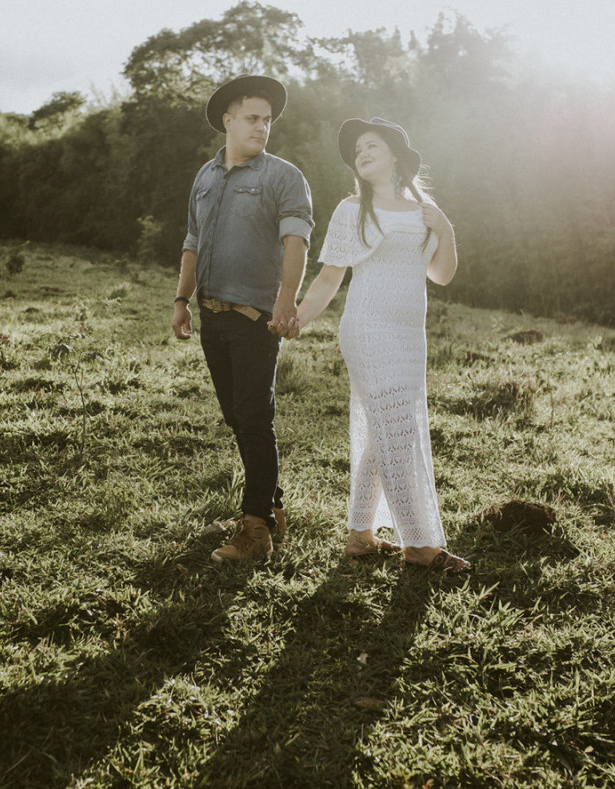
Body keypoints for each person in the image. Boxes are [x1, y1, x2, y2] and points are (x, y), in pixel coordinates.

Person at [287, 117, 470, 573]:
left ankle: (359, 536)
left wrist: (446, 230)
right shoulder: (352, 209)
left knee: (384, 431)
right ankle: (420, 545)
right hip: (368, 329)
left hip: (411, 336)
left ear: (394, 154)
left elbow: (442, 275)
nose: (361, 153)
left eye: (371, 145)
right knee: (398, 432)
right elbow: (330, 276)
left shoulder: (425, 210)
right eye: (357, 151)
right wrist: (297, 318)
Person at [170, 75, 314, 562]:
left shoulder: (283, 176)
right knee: (237, 416)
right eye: (252, 118)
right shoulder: (206, 177)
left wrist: (286, 301)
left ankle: (255, 532)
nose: (262, 127)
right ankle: (271, 506)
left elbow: (296, 241)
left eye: (267, 120)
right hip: (212, 317)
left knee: (254, 418)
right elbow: (192, 240)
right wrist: (181, 300)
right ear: (228, 122)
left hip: (257, 318)